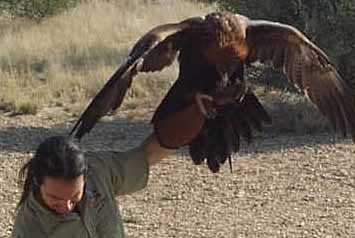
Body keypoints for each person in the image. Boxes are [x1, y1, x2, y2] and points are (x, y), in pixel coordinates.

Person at [11, 84, 244, 238]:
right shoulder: (29, 227)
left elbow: (150, 154)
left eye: (74, 197)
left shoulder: (100, 171)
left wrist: (196, 113)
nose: (67, 206)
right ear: (37, 182)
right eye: (55, 200)